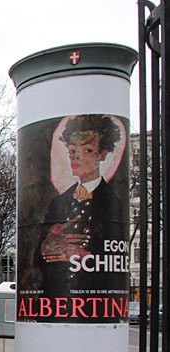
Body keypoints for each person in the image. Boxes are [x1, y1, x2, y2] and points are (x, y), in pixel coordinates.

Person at [38, 114, 125, 299]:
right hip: (55, 300)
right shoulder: (58, 203)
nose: (76, 157)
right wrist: (46, 249)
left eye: (87, 150)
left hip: (95, 301)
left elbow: (114, 255)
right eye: (72, 151)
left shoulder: (112, 202)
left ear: (102, 155)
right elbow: (37, 258)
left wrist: (85, 256)